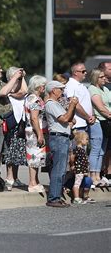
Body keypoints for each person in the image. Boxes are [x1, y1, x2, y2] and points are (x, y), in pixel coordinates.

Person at [0, 62, 27, 184]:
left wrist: (20, 77)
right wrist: (14, 77)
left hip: (5, 123)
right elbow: (2, 92)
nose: (1, 71)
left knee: (2, 154)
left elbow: (21, 90)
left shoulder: (0, 83)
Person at [44, 80, 78, 208]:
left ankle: (56, 196)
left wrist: (72, 107)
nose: (62, 92)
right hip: (58, 138)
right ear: (53, 90)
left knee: (61, 169)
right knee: (58, 169)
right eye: (60, 89)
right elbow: (64, 118)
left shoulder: (56, 104)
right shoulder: (51, 104)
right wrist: (71, 106)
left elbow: (69, 118)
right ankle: (53, 198)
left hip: (62, 137)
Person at [2, 67, 28, 191]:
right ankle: (9, 177)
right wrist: (17, 77)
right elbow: (22, 92)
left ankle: (15, 177)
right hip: (11, 125)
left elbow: (25, 90)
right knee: (10, 152)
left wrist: (21, 77)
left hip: (20, 125)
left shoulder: (20, 91)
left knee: (17, 152)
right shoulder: (9, 91)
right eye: (17, 79)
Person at [24, 75, 48, 193]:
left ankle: (36, 181)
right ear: (38, 86)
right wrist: (40, 134)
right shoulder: (35, 99)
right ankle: (32, 183)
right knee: (34, 156)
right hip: (34, 131)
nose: (44, 87)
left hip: (33, 130)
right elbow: (34, 118)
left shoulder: (31, 97)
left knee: (37, 157)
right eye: (43, 85)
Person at [88, 68, 111, 186]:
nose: (104, 79)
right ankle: (93, 175)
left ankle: (98, 175)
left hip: (107, 122)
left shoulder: (105, 89)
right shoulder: (93, 89)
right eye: (101, 77)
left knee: (102, 150)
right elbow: (101, 108)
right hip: (98, 122)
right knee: (96, 149)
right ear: (96, 78)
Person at [69, 131, 91, 204]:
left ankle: (79, 196)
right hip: (79, 170)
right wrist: (72, 165)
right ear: (81, 140)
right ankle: (76, 198)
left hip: (82, 170)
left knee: (81, 183)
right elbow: (72, 157)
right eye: (86, 139)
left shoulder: (81, 149)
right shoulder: (78, 149)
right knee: (77, 184)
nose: (87, 141)